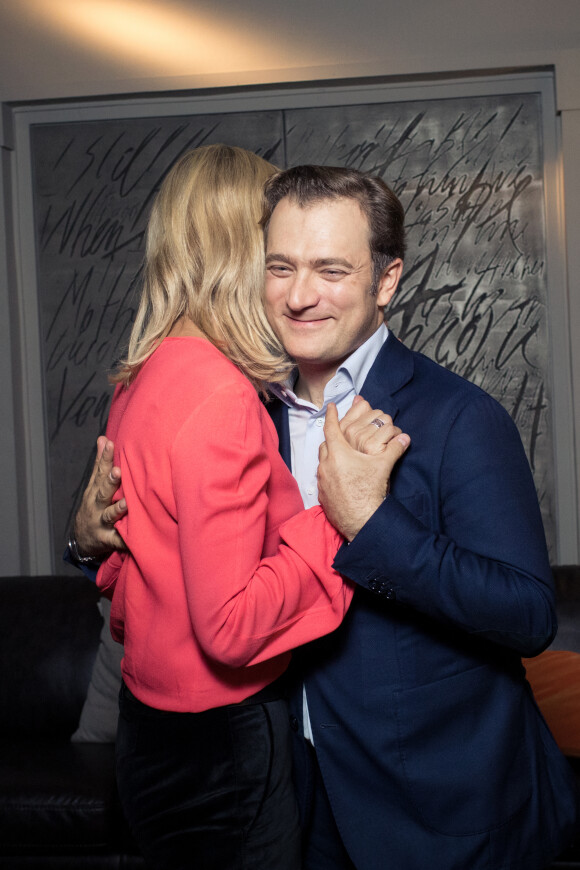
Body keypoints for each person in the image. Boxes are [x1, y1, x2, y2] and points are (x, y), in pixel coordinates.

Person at [70, 163, 578, 870]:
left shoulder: (459, 417)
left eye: (332, 270)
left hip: (441, 817)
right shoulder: (248, 408)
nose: (301, 296)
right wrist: (88, 537)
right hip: (296, 803)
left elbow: (528, 615)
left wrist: (372, 524)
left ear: (386, 281)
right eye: (281, 267)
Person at [81, 145, 410, 870]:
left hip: (150, 732)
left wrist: (92, 544)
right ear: (245, 249)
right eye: (277, 250)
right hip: (219, 747)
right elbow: (228, 628)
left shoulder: (141, 376)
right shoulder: (221, 398)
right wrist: (337, 511)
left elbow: (127, 571)